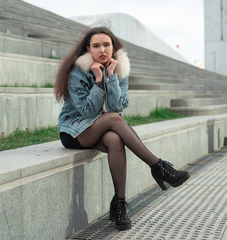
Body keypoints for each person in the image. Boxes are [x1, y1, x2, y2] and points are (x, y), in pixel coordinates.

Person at [54, 27, 190, 231]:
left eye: (106, 44)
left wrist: (111, 76)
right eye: (96, 45)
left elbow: (119, 105)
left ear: (113, 47)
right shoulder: (77, 72)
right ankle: (158, 167)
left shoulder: (118, 69)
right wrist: (98, 81)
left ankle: (119, 204)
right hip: (75, 130)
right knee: (115, 120)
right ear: (87, 49)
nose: (102, 50)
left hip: (104, 127)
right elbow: (87, 111)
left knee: (115, 139)